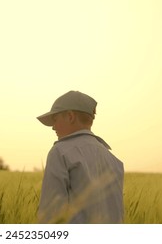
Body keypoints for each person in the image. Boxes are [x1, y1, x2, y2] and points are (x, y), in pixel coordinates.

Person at [36, 90, 124, 223]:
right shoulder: (114, 160)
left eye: (55, 119)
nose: (53, 127)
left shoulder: (60, 152)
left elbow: (51, 215)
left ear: (70, 116)